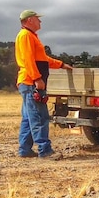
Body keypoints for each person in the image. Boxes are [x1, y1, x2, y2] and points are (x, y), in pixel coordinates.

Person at [15, 10, 73, 159]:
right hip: (30, 83)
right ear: (29, 21)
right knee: (40, 117)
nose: (40, 22)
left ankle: (25, 150)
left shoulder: (30, 36)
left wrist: (60, 64)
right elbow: (29, 60)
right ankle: (45, 151)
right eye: (37, 19)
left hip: (28, 82)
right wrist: (37, 79)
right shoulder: (26, 36)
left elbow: (42, 59)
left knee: (29, 118)